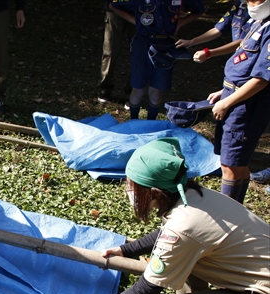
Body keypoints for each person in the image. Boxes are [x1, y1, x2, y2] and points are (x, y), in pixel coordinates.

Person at [78, 138, 270, 294]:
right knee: (190, 261)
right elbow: (170, 233)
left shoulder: (183, 228)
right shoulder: (196, 197)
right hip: (257, 282)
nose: (128, 190)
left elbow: (149, 287)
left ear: (153, 192)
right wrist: (127, 250)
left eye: (132, 185)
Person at [207, 0, 270, 203]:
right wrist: (223, 91)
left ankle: (229, 214)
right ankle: (236, 210)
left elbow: (261, 80)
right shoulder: (258, 22)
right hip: (235, 97)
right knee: (236, 163)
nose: (250, 3)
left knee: (231, 165)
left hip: (246, 107)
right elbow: (244, 63)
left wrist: (226, 103)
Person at [111, 0, 206, 120]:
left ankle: (151, 122)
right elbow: (114, 6)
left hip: (166, 45)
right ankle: (133, 120)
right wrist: (135, 21)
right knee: (138, 88)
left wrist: (180, 23)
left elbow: (200, 9)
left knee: (156, 90)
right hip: (143, 44)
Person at [176, 0, 250, 63]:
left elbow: (245, 41)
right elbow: (218, 29)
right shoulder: (239, 5)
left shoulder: (257, 12)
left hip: (251, 60)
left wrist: (209, 53)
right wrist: (191, 42)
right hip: (237, 59)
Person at [97, 0, 133, 104]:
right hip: (115, 7)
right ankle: (105, 89)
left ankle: (132, 92)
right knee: (110, 51)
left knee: (138, 53)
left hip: (140, 9)